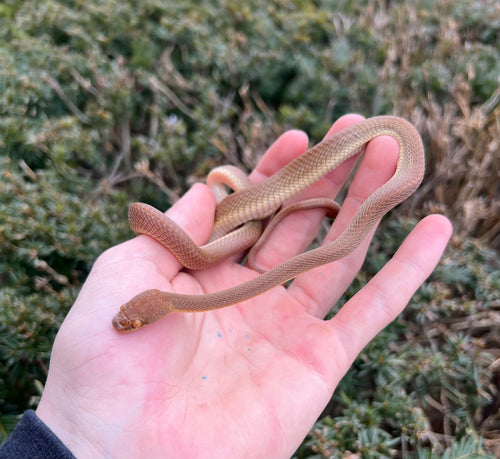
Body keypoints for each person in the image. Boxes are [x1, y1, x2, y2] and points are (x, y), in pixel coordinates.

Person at [0, 114, 452, 458]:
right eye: (132, 321)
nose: (124, 324)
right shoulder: (164, 298)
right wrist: (85, 436)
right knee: (234, 228)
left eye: (130, 319)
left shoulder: (176, 287)